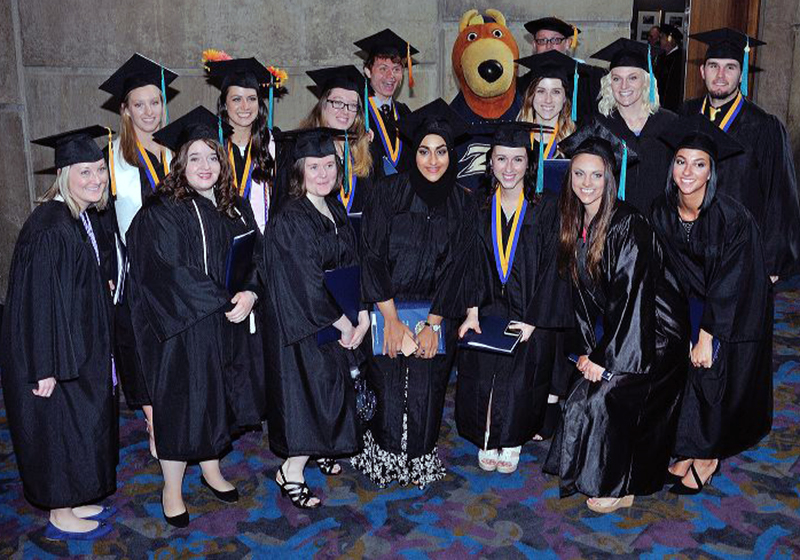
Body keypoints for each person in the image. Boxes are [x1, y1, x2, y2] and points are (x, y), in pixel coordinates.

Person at [126, 107, 266, 527]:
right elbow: (166, 273)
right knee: (182, 404)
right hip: (182, 328)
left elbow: (258, 254)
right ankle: (171, 486)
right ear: (180, 163)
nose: (205, 167)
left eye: (212, 157)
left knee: (216, 398)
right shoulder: (161, 211)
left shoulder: (234, 205)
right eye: (195, 158)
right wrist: (225, 299)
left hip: (224, 323)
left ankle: (210, 468)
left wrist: (252, 292)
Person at [543, 122, 689, 513]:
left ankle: (624, 485)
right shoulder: (575, 221)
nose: (586, 183)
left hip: (655, 337)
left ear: (610, 178)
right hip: (623, 330)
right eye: (579, 173)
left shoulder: (628, 224)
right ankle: (592, 471)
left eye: (596, 175)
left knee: (610, 393)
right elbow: (584, 299)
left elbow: (632, 300)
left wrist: (605, 359)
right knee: (580, 390)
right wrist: (587, 351)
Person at [351, 99, 477, 487]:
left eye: (441, 151)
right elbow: (371, 253)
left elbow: (459, 267)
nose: (433, 161)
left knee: (427, 384)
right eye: (424, 151)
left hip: (437, 308)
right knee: (387, 383)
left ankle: (419, 458)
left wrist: (433, 325)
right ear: (413, 152)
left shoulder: (463, 201)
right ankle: (383, 458)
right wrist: (388, 318)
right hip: (389, 302)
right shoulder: (388, 192)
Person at [1, 126, 118, 540]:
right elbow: (38, 300)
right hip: (51, 353)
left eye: (100, 170)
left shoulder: (73, 217)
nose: (96, 180)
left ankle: (73, 495)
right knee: (56, 429)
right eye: (84, 172)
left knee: (77, 425)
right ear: (64, 174)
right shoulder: (50, 227)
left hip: (74, 346)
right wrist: (44, 366)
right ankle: (58, 508)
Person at [650, 115, 773, 494]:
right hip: (690, 301)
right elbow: (664, 270)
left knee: (710, 366)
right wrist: (676, 322)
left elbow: (731, 283)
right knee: (677, 363)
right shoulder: (661, 210)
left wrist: (706, 334)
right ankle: (688, 449)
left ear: (710, 172)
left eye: (699, 164)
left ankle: (708, 455)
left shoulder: (732, 219)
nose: (688, 172)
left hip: (735, 307)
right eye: (681, 161)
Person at [456, 122, 572, 473]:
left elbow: (556, 265)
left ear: (528, 163)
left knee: (523, 371)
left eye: (517, 160)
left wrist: (536, 320)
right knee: (484, 367)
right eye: (501, 159)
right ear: (489, 162)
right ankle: (489, 431)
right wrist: (472, 311)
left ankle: (512, 437)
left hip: (529, 308)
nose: (509, 168)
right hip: (488, 305)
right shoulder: (477, 205)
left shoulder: (547, 208)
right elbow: (469, 260)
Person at [263, 128, 368, 508]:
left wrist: (363, 314)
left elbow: (353, 263)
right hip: (305, 323)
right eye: (314, 167)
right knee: (310, 394)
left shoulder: (333, 207)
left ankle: (323, 446)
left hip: (335, 316)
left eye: (329, 165)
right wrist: (343, 321)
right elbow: (304, 283)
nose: (323, 174)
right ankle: (290, 470)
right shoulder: (291, 218)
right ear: (298, 171)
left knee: (332, 388)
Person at [97, 53, 178, 459]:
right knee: (138, 346)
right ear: (125, 110)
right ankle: (152, 420)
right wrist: (105, 270)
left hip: (175, 269)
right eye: (139, 104)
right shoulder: (110, 159)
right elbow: (99, 221)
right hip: (133, 271)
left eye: (155, 102)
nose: (149, 111)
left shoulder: (176, 153)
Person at [681, 28, 800, 281]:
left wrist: (770, 264)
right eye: (713, 66)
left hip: (741, 252)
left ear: (741, 74)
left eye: (730, 67)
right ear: (702, 72)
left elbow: (779, 196)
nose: (721, 75)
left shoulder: (764, 127)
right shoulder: (686, 116)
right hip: (689, 253)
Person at [591, 38, 677, 215]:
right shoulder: (599, 125)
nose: (624, 86)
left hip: (660, 223)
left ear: (646, 82)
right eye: (616, 79)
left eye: (632, 78)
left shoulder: (669, 123)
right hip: (611, 224)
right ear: (609, 83)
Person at [205, 54, 277, 231]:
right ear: (224, 104)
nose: (245, 106)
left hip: (264, 243)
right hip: (220, 242)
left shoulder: (274, 144)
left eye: (252, 98)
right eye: (236, 99)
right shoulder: (209, 145)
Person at [298, 65, 374, 214]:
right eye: (338, 103)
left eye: (352, 105)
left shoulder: (364, 151)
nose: (345, 111)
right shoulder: (302, 149)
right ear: (323, 104)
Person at [354, 28, 418, 178]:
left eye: (396, 69)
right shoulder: (356, 111)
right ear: (368, 72)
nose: (391, 76)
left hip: (402, 195)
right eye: (383, 68)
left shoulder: (405, 113)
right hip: (370, 195)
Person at [521, 17, 605, 124]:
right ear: (534, 45)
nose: (549, 46)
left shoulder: (590, 79)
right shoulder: (523, 84)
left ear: (568, 43)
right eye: (542, 40)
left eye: (556, 40)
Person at [516, 50, 578, 158]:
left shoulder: (574, 143)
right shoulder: (516, 138)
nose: (548, 100)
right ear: (531, 96)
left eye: (556, 92)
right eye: (541, 91)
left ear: (564, 98)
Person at [655, 24, 685, 111]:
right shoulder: (661, 56)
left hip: (672, 104)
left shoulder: (679, 58)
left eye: (662, 37)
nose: (659, 40)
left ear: (670, 39)